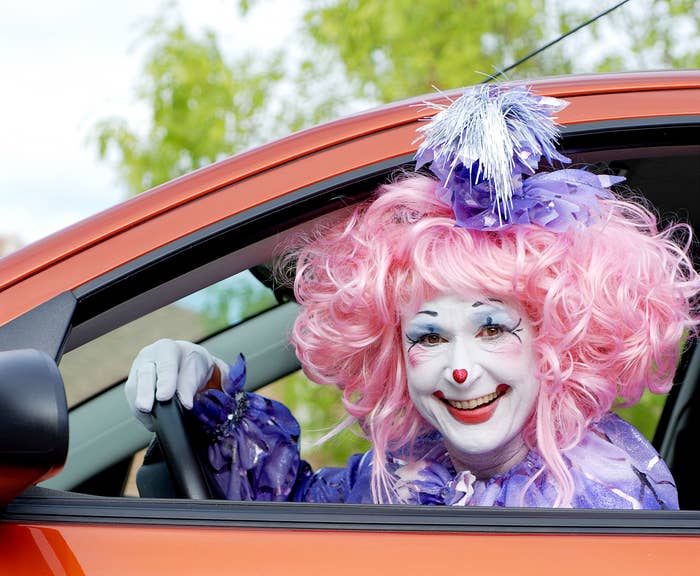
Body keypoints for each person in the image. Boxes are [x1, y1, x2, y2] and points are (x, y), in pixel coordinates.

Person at [126, 85, 699, 508]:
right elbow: (288, 514)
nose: (458, 369)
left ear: (553, 341)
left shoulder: (610, 499)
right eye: (428, 336)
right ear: (392, 352)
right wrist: (209, 391)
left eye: (493, 328)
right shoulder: (402, 475)